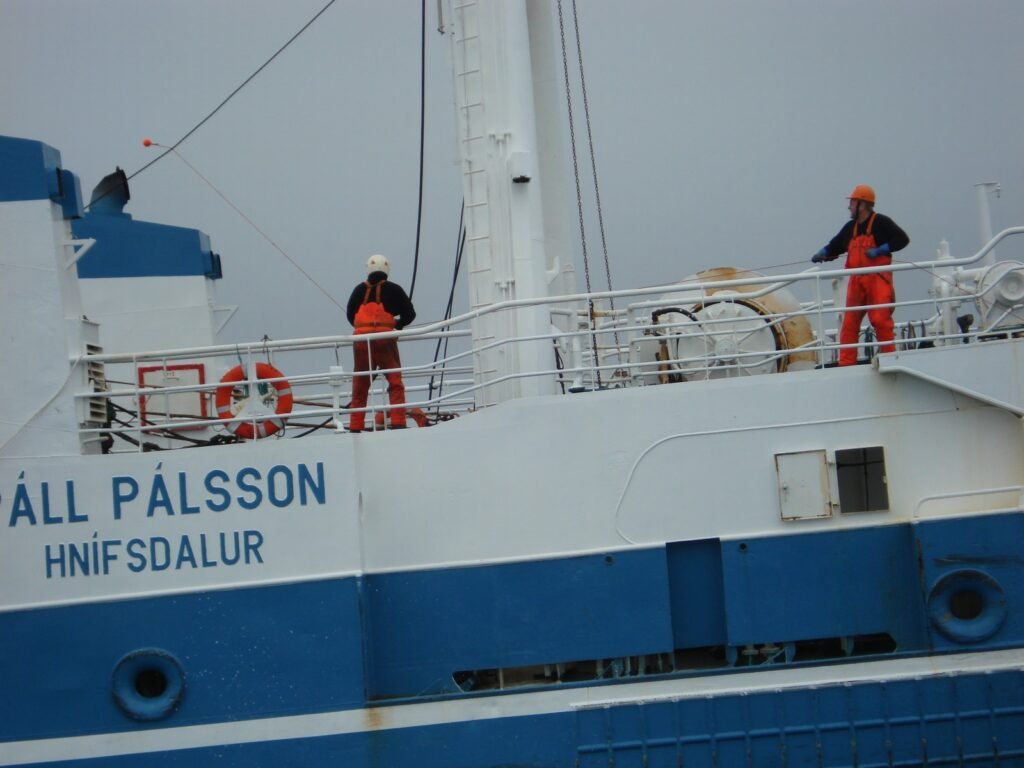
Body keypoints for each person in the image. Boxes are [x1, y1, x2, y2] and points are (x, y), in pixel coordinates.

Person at [811, 185, 909, 366]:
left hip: (877, 278)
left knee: (880, 319)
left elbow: (902, 239)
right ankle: (846, 363)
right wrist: (823, 253)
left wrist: (881, 249)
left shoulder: (881, 222)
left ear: (862, 204)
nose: (849, 206)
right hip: (856, 280)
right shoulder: (850, 228)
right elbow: (836, 246)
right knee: (849, 323)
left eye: (852, 202)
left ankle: (890, 359)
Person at [346, 254, 416, 431]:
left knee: (360, 385)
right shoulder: (394, 289)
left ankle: (355, 425)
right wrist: (398, 324)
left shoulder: (358, 290)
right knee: (394, 381)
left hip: (362, 343)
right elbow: (410, 314)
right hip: (385, 341)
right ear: (387, 270)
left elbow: (350, 315)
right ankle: (398, 421)